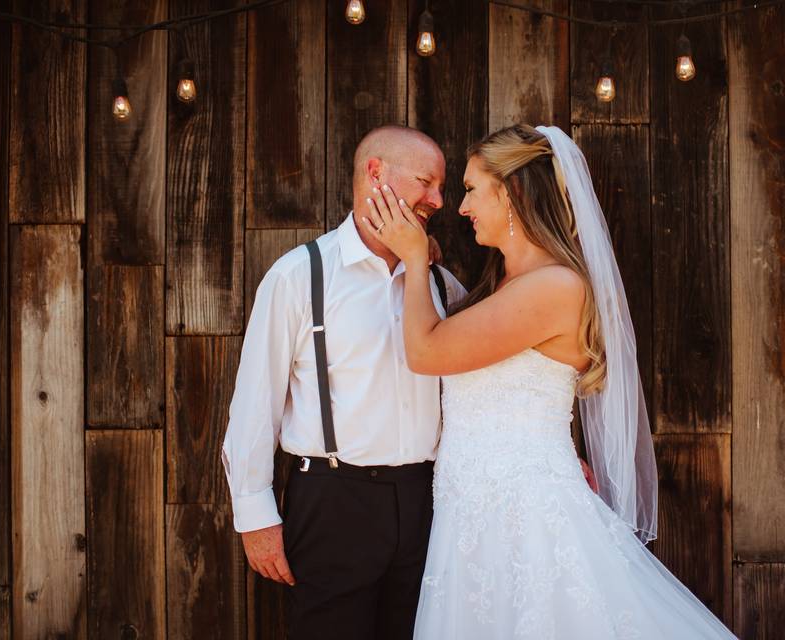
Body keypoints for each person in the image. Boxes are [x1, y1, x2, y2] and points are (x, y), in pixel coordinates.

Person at [364, 124, 739, 638]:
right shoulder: (502, 285)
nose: (461, 207)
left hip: (524, 515)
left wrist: (409, 256)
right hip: (475, 511)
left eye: (472, 189)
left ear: (514, 192)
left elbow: (427, 351)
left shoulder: (554, 287)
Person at [220, 125, 467, 640]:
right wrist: (255, 516)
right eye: (427, 181)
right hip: (334, 501)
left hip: (429, 503)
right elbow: (253, 405)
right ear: (376, 173)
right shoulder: (299, 276)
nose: (438, 201)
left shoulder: (443, 286)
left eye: (441, 188)